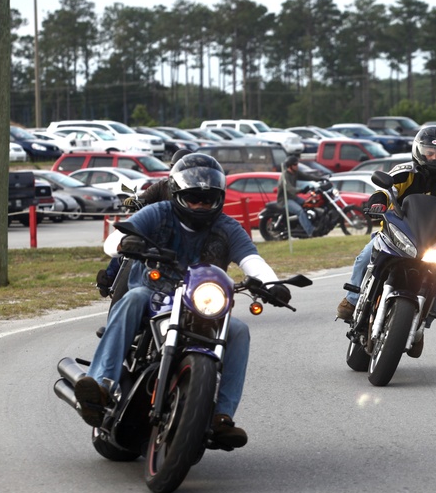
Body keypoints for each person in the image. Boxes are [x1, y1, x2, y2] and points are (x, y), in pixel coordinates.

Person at [74, 153, 290, 451]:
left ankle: (221, 416)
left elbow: (252, 260)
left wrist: (272, 284)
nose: (201, 205)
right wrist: (125, 243)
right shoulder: (158, 213)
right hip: (153, 296)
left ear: (219, 198)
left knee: (239, 330)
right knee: (135, 296)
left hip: (200, 305)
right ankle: (101, 385)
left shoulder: (227, 227)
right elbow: (114, 240)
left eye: (208, 198)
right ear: (177, 194)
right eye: (193, 198)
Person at [336, 125, 436, 354]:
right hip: (396, 234)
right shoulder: (404, 171)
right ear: (419, 151)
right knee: (366, 255)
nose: (434, 158)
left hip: (431, 243)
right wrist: (377, 201)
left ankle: (421, 326)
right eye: (429, 152)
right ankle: (353, 299)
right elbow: (386, 190)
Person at [96, 148, 193, 297]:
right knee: (129, 248)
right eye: (179, 169)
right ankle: (109, 278)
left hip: (187, 235)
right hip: (160, 232)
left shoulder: (198, 191)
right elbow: (144, 198)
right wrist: (135, 203)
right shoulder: (163, 186)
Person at [278, 154, 319, 237]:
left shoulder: (295, 173)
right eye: (295, 164)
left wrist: (319, 179)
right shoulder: (284, 176)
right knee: (300, 211)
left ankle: (311, 224)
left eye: (297, 164)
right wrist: (301, 190)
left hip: (293, 198)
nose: (297, 166)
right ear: (290, 166)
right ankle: (311, 232)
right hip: (285, 200)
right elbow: (289, 189)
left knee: (309, 204)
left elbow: (307, 176)